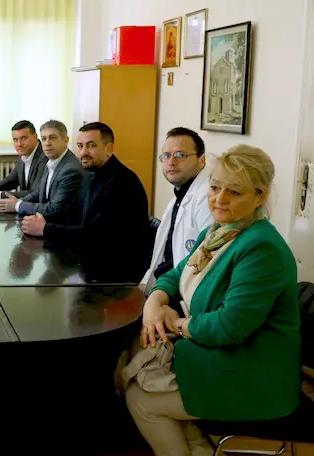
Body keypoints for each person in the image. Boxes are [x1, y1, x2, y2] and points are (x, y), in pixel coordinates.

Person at [130, 145, 300, 456]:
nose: (219, 199)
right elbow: (177, 273)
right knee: (132, 362)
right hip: (223, 355)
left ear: (259, 197)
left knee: (142, 400)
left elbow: (229, 327)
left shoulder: (262, 249)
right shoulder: (221, 231)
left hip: (252, 374)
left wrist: (177, 324)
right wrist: (155, 302)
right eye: (214, 187)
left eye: (234, 192)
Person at [21, 122, 148, 283]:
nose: (83, 153)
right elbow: (74, 212)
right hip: (90, 262)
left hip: (115, 275)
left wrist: (45, 229)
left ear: (109, 149)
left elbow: (94, 236)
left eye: (91, 146)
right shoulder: (90, 173)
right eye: (80, 146)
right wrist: (44, 220)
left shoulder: (122, 183)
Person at [140, 128, 213, 294]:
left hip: (181, 295)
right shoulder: (180, 195)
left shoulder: (207, 197)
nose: (171, 162)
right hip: (166, 287)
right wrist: (145, 284)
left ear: (202, 161)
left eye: (180, 155)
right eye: (166, 155)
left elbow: (207, 260)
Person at [0, 119, 81, 223]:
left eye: (53, 138)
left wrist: (18, 205)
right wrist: (16, 202)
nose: (47, 143)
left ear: (65, 140)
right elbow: (39, 193)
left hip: (58, 226)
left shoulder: (70, 169)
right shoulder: (52, 161)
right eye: (44, 139)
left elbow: (55, 209)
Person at [0, 120, 47, 199]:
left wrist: (0, 194)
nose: (19, 144)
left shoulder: (45, 156)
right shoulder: (24, 154)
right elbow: (11, 180)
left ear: (35, 137)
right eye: (15, 140)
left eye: (23, 138)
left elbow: (35, 193)